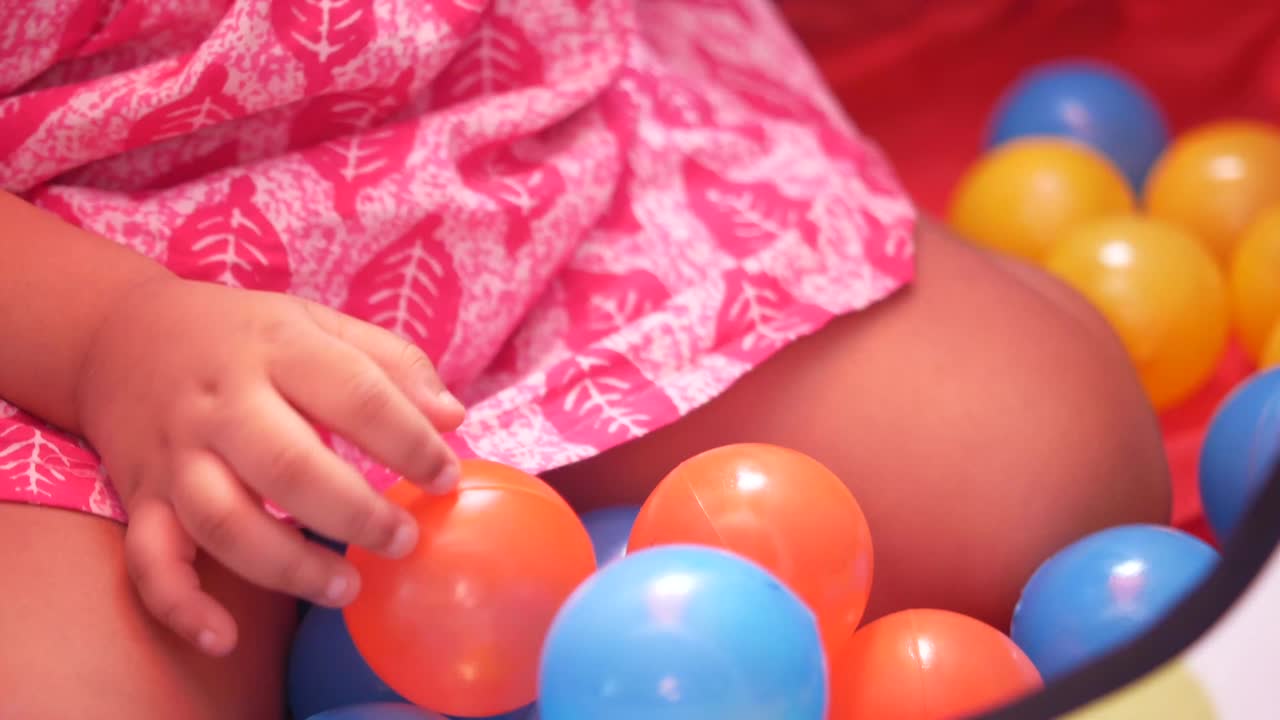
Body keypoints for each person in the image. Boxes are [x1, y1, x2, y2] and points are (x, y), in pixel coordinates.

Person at [0, 0, 1169, 717]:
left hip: (511, 150)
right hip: (82, 286)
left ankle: (504, 513)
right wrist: (104, 337)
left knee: (1051, 477)